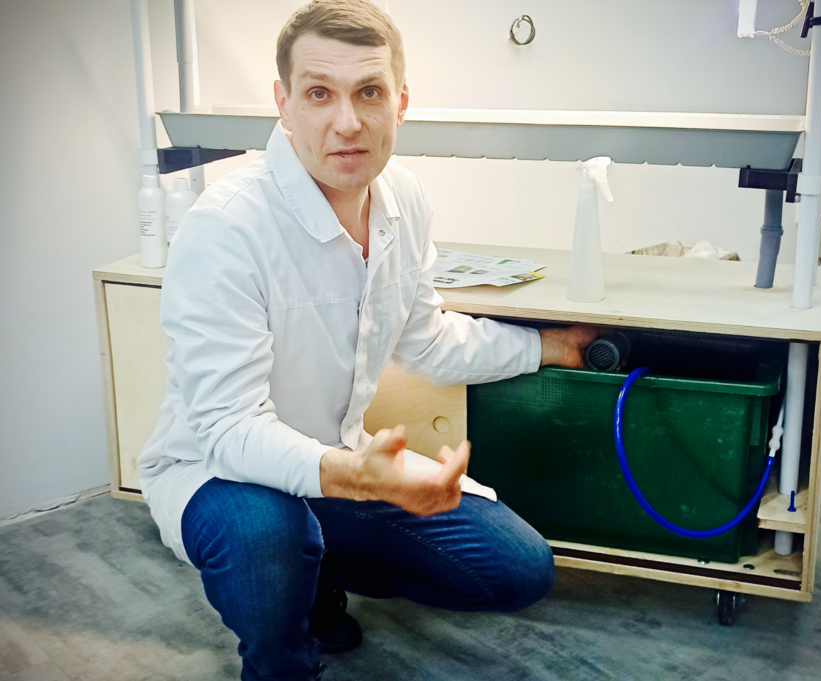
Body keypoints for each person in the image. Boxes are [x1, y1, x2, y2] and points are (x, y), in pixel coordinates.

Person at [137, 1, 596, 679]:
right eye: (319, 93)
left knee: (517, 567)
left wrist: (548, 347)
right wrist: (356, 476)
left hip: (334, 465)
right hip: (219, 475)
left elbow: (427, 338)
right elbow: (229, 430)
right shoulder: (226, 228)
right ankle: (282, 656)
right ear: (284, 104)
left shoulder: (404, 200)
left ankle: (313, 569)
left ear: (400, 103)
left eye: (369, 92)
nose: (347, 122)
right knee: (265, 531)